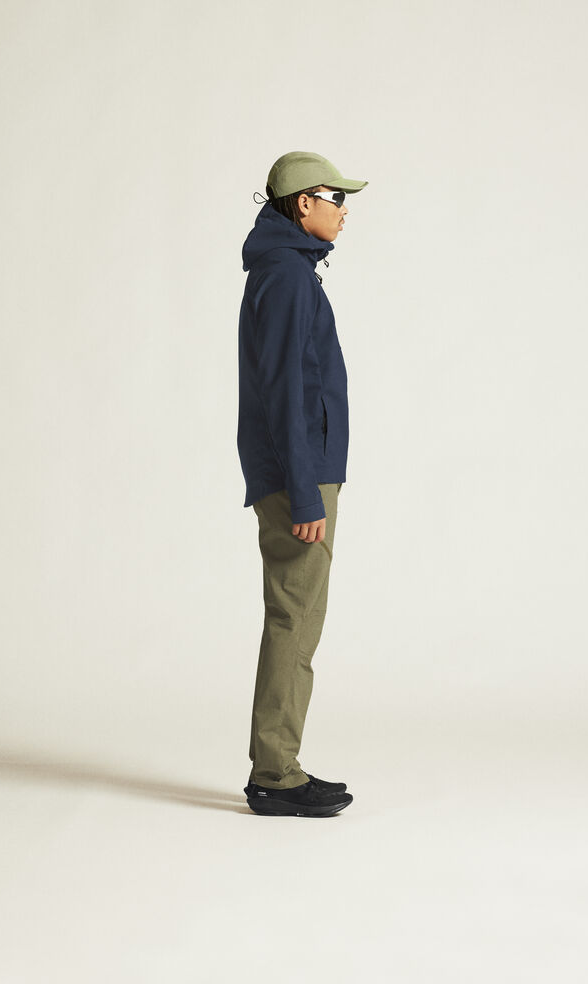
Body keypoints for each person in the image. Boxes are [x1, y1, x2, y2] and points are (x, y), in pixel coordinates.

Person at [237, 151, 368, 817]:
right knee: (295, 617)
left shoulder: (287, 269)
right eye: (334, 198)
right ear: (303, 203)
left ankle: (277, 766)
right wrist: (306, 488)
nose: (344, 211)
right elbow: (285, 389)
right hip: (299, 475)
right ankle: (275, 776)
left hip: (301, 468)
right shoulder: (287, 276)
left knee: (297, 617)